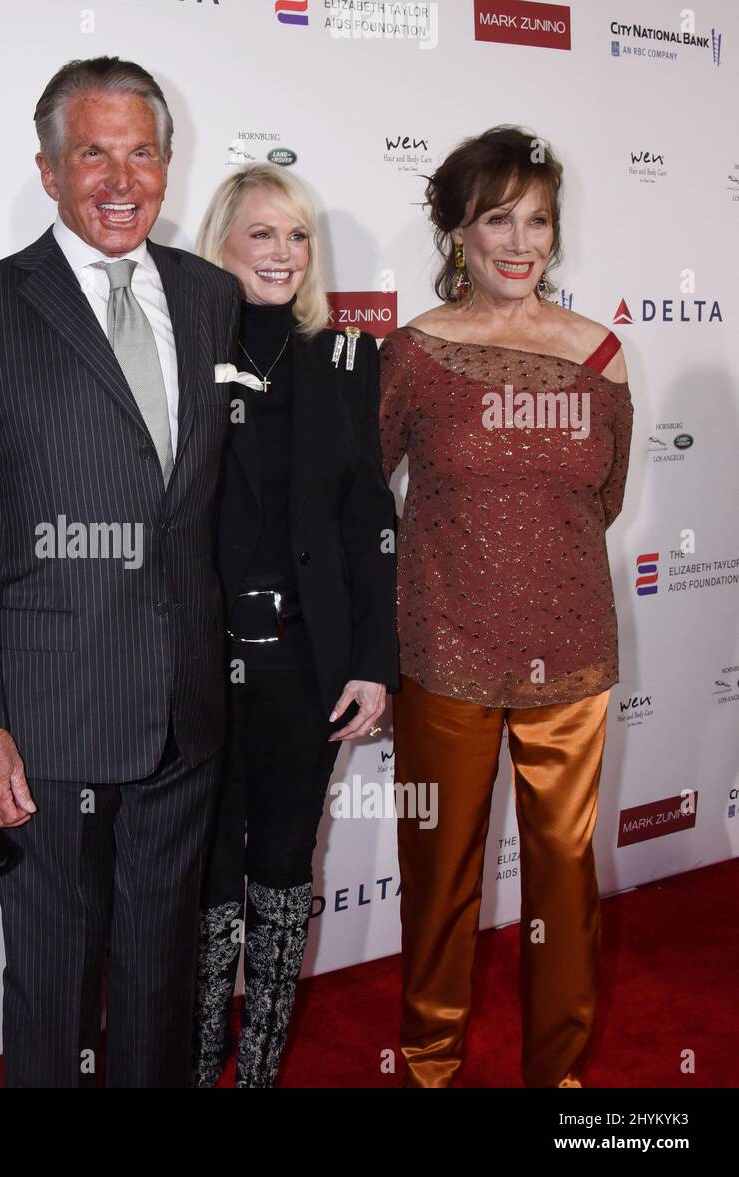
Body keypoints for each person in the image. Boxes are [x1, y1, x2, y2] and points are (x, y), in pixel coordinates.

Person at [0, 56, 240, 1087]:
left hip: (184, 701)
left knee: (160, 973)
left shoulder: (209, 297)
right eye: (92, 152)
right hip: (46, 708)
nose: (120, 177)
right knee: (54, 980)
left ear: (168, 165)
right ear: (49, 170)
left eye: (141, 151)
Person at [379, 126, 632, 1087]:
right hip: (441, 651)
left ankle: (557, 1082)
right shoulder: (411, 354)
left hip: (570, 657)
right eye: (497, 219)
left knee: (564, 883)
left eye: (538, 220)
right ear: (457, 232)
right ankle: (430, 1067)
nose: (520, 242)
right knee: (438, 879)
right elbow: (370, 495)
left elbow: (598, 499)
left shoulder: (601, 355)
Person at [189, 165, 398, 1087]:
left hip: (301, 665)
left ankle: (261, 1067)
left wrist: (372, 660)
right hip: (192, 665)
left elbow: (367, 522)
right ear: (222, 246)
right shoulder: (178, 350)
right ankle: (195, 1061)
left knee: (282, 862)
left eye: (298, 236)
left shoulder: (347, 361)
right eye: (263, 234)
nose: (283, 254)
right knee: (202, 876)